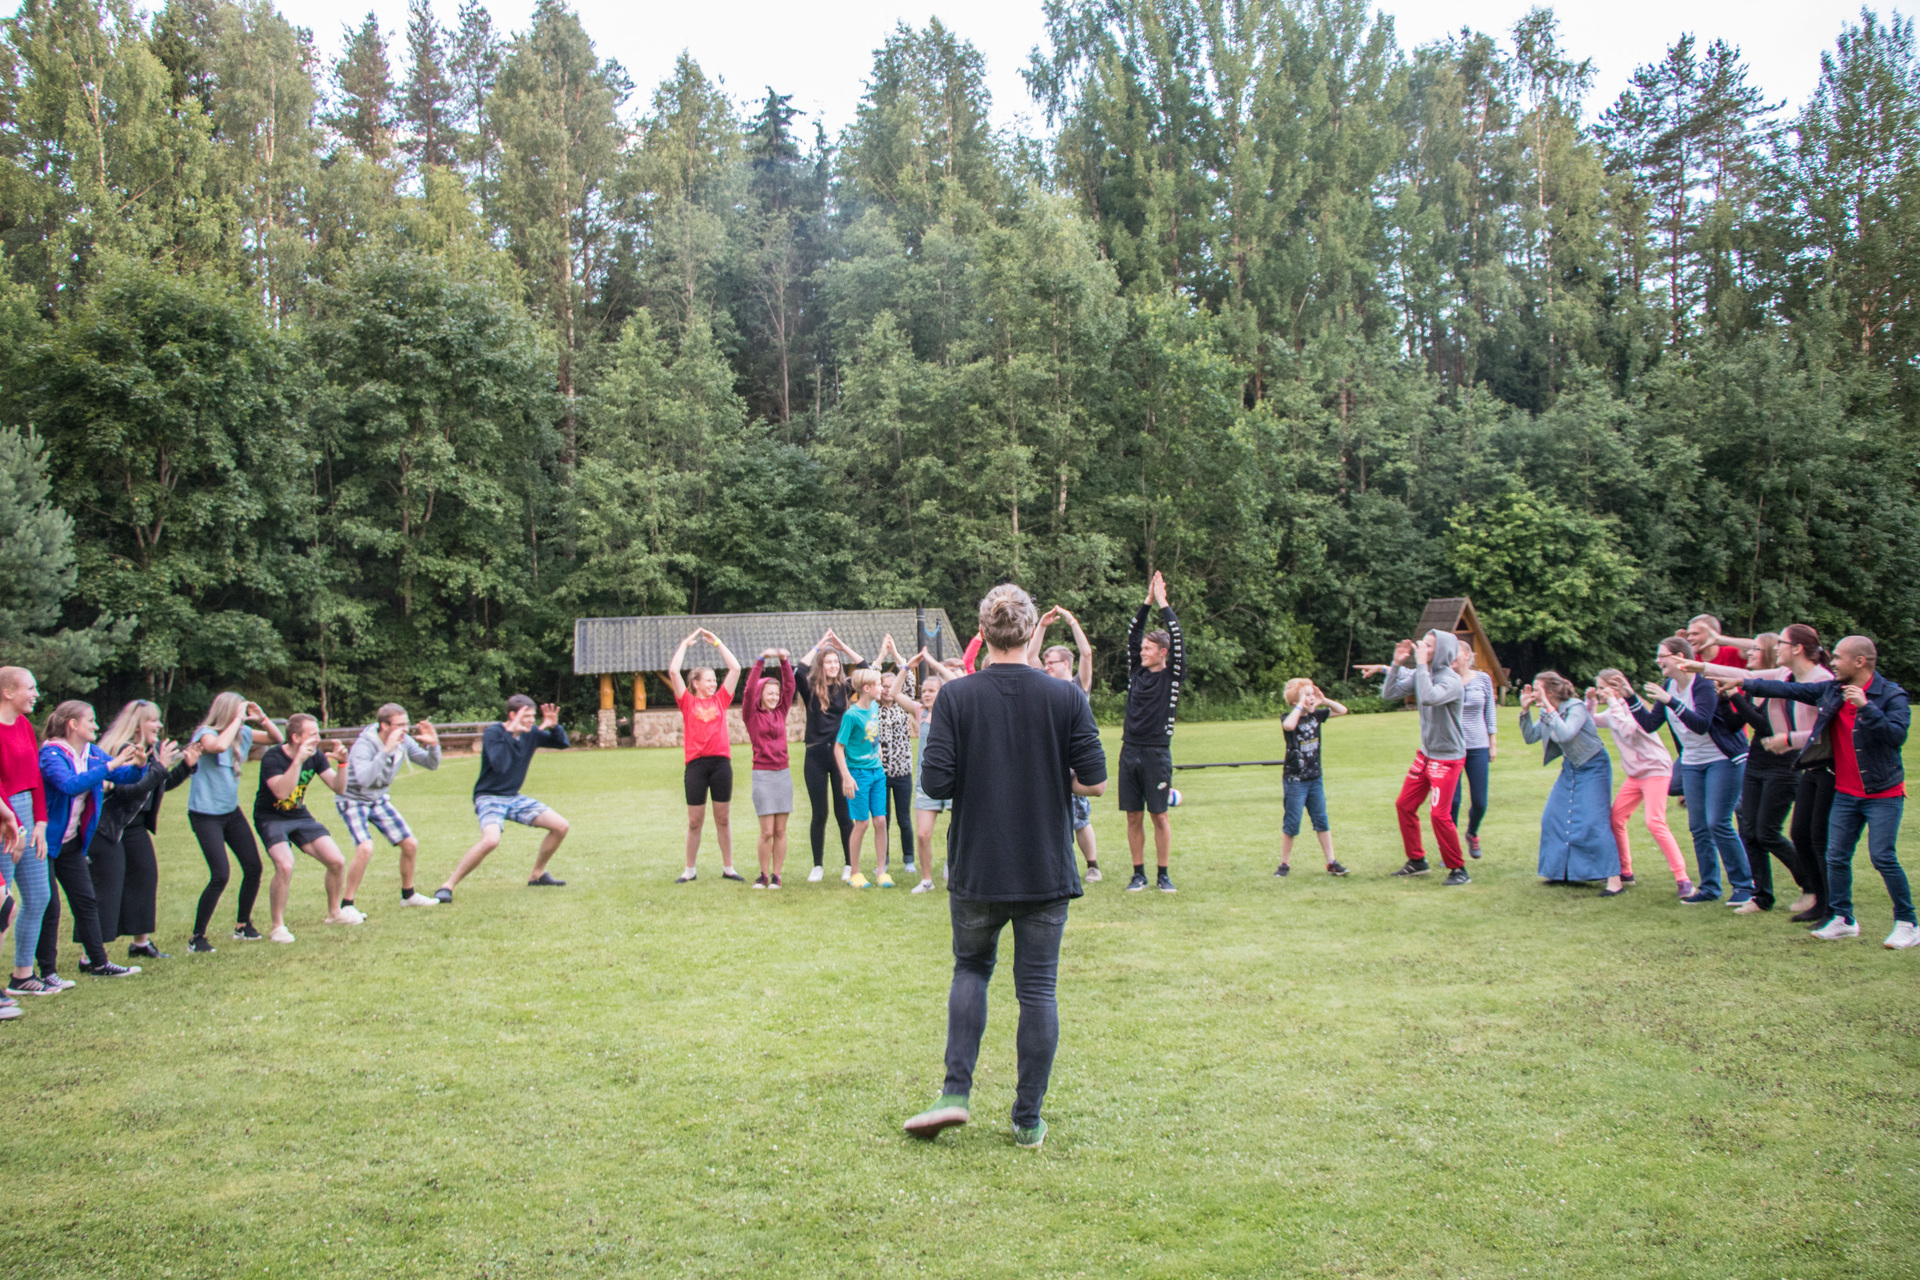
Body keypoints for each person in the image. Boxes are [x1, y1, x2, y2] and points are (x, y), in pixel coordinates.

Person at [903, 583, 1107, 1149]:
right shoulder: (1065, 696)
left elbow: (935, 781)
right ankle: (1027, 1119)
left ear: (983, 631)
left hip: (979, 862)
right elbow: (1094, 781)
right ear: (1032, 629)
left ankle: (955, 1094)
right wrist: (1046, 772)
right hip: (1044, 862)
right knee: (1038, 989)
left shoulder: (957, 697)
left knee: (971, 970)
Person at [1741, 636, 1914, 948]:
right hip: (1846, 792)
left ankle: (1907, 923)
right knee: (1836, 856)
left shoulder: (1891, 695)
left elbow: (1896, 736)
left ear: (1859, 662)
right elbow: (1788, 689)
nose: (1831, 662)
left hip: (1882, 793)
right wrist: (1742, 682)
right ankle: (1843, 919)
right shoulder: (1833, 689)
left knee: (1882, 857)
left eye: (1837, 657)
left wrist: (1866, 706)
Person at [1686, 623, 1836, 921]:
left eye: (1782, 643)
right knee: (1751, 830)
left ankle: (1816, 891)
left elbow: (1822, 732)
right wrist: (1700, 667)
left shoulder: (1821, 680)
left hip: (1793, 763)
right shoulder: (1784, 674)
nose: (1777, 647)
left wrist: (1787, 739)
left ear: (1797, 648)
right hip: (1761, 759)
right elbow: (1744, 677)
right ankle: (1763, 895)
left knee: (1775, 832)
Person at [1630, 638, 1757, 908]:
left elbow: (1701, 725)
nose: (1658, 661)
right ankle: (1710, 887)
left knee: (1718, 823)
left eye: (1662, 655)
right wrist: (1630, 697)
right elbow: (1651, 724)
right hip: (1692, 762)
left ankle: (1744, 886)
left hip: (1723, 759)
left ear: (1679, 657)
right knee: (1698, 827)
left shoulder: (1702, 684)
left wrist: (1671, 701)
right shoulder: (1669, 685)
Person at [37, 699, 148, 980]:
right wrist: (111, 764)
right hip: (44, 844)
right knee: (50, 908)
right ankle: (47, 971)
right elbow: (69, 785)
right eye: (91, 721)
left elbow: (124, 776)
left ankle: (98, 963)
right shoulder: (51, 754)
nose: (96, 726)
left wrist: (139, 766)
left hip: (71, 843)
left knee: (86, 902)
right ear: (73, 724)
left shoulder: (91, 753)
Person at [1360, 630, 1471, 885]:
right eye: (1423, 643)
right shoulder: (1424, 673)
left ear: (1441, 651)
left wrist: (1420, 664)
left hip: (1448, 758)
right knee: (1405, 805)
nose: (1422, 647)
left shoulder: (1451, 680)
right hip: (1426, 754)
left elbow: (1430, 697)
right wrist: (1396, 663)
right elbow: (1389, 694)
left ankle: (1458, 870)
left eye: (1429, 645)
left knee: (1439, 815)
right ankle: (1417, 861)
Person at [435, 696, 571, 903]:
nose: (531, 720)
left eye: (533, 716)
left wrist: (554, 726)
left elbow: (562, 743)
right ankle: (447, 886)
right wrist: (511, 734)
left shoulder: (531, 733)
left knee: (560, 826)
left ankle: (537, 875)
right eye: (526, 716)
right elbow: (500, 764)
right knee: (491, 841)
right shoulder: (494, 733)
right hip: (489, 797)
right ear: (512, 715)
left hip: (513, 797)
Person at [92, 701, 195, 960]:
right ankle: (92, 954)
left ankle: (140, 944)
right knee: (108, 889)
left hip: (135, 827)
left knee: (145, 879)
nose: (159, 725)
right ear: (138, 725)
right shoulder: (123, 750)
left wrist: (185, 766)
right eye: (153, 720)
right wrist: (160, 767)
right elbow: (128, 790)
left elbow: (157, 785)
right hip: (111, 827)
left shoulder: (151, 751)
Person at [186, 693, 284, 952]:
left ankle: (243, 925)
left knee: (253, 867)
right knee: (220, 874)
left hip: (230, 812)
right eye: (238, 712)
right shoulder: (205, 734)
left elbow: (277, 738)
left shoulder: (242, 734)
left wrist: (262, 718)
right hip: (205, 814)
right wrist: (238, 719)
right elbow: (218, 746)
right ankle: (197, 937)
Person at [252, 714, 357, 941]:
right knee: (285, 865)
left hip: (299, 815)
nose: (318, 738)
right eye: (313, 734)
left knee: (336, 861)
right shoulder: (272, 758)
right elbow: (281, 792)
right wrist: (298, 761)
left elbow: (338, 787)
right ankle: (277, 926)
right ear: (296, 737)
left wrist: (342, 764)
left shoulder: (315, 756)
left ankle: (334, 913)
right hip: (270, 817)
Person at [1591, 670, 1692, 898]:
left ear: (1616, 688)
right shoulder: (1614, 710)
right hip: (1636, 775)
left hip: (1656, 770)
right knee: (1616, 819)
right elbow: (1592, 721)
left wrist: (1613, 702)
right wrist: (1590, 702)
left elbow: (1627, 730)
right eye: (1598, 688)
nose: (1600, 692)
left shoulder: (1632, 708)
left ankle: (1683, 879)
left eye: (1603, 688)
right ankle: (1625, 871)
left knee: (1655, 822)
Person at [1519, 673, 1621, 894]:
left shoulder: (1576, 707)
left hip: (1594, 766)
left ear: (1550, 691)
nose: (1533, 693)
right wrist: (1525, 711)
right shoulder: (1547, 712)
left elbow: (1566, 734)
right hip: (1571, 768)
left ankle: (1615, 881)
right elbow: (1530, 737)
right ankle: (1560, 872)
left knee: (1594, 822)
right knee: (1553, 817)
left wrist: (1549, 709)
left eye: (1537, 689)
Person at [338, 704, 443, 911]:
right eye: (400, 725)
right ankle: (347, 905)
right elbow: (364, 779)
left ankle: (408, 896)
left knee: (410, 844)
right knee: (365, 848)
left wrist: (433, 745)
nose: (405, 729)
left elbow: (431, 764)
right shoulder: (364, 745)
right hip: (353, 799)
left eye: (407, 724)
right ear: (384, 725)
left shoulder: (404, 741)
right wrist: (386, 750)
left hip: (378, 798)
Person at [1120, 571, 1184, 893]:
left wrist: (1163, 603)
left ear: (1163, 652)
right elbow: (1132, 634)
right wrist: (1147, 601)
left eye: (1148, 648)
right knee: (1133, 816)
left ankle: (1163, 874)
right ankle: (1138, 874)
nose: (1142, 651)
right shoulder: (1137, 671)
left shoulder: (1172, 675)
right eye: (1142, 648)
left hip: (1157, 752)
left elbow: (1178, 637)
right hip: (1129, 749)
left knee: (1159, 816)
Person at [667, 628, 746, 884]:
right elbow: (673, 672)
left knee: (722, 818)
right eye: (709, 680)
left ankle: (729, 868)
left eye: (714, 680)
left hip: (721, 764)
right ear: (696, 683)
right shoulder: (687, 702)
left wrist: (718, 643)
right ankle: (689, 870)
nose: (713, 684)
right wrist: (685, 644)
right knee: (694, 821)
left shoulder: (721, 700)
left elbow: (735, 668)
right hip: (696, 767)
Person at [2, 667, 63, 996]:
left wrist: (40, 822)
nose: (36, 694)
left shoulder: (24, 725)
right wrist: (16, 824)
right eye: (31, 687)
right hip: (5, 818)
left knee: (39, 895)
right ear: (8, 692)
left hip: (28, 813)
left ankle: (22, 975)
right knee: (3, 903)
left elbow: (35, 776)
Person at [1030, 607, 1101, 881]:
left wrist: (1072, 621)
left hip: (1074, 761)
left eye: (1052, 662)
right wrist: (1041, 626)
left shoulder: (1078, 685)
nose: (1046, 666)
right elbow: (1029, 657)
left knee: (1080, 818)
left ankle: (1093, 866)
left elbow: (1087, 653)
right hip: (1048, 758)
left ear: (1066, 664)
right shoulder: (1044, 686)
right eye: (1046, 662)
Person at [795, 630, 866, 882]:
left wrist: (842, 647)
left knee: (843, 814)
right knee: (819, 814)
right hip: (815, 755)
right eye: (828, 662)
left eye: (836, 662)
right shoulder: (810, 689)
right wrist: (819, 646)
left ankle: (849, 864)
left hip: (840, 756)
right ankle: (817, 866)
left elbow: (865, 669)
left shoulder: (846, 688)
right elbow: (799, 671)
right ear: (822, 665)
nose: (833, 666)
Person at [894, 650, 966, 894]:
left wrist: (934, 663)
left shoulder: (957, 710)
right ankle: (926, 880)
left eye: (931, 690)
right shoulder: (919, 711)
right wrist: (906, 667)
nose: (925, 694)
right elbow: (894, 693)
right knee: (923, 834)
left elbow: (958, 684)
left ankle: (955, 869)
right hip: (926, 782)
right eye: (923, 690)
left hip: (956, 779)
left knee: (959, 832)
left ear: (942, 692)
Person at [1275, 678, 1350, 877]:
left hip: (1315, 779)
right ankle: (1284, 864)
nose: (1311, 698)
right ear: (1295, 702)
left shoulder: (1317, 715)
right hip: (1295, 781)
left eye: (1312, 695)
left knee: (1321, 820)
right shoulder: (1288, 717)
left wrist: (1323, 700)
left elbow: (1342, 710)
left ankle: (1331, 862)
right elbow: (1289, 726)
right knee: (1292, 823)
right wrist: (1300, 705)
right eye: (1306, 695)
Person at [742, 649, 796, 889]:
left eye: (776, 693)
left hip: (783, 775)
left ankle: (776, 875)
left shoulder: (781, 712)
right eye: (769, 693)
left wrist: (784, 661)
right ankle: (763, 875)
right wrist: (760, 660)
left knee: (780, 830)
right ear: (760, 695)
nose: (774, 697)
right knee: (766, 831)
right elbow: (748, 690)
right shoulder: (751, 715)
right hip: (762, 775)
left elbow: (790, 687)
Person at [835, 668, 888, 889]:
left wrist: (878, 751)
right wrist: (846, 776)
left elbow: (872, 736)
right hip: (858, 775)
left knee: (880, 821)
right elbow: (839, 747)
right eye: (879, 684)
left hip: (877, 773)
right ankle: (854, 872)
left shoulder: (874, 707)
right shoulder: (851, 716)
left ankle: (882, 872)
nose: (882, 688)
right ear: (867, 688)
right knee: (862, 823)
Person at [873, 636, 920, 878]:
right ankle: (884, 860)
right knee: (883, 819)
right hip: (879, 773)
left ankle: (909, 859)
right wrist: (882, 656)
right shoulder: (873, 708)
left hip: (902, 771)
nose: (888, 689)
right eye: (884, 685)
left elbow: (909, 679)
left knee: (904, 819)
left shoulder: (904, 704)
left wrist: (897, 654)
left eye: (892, 685)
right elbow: (869, 677)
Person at [1450, 646, 1499, 858]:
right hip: (1451, 748)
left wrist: (1492, 742)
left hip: (1478, 746)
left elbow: (1490, 711)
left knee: (1480, 802)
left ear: (1467, 655)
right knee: (1452, 802)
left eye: (1455, 651)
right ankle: (1451, 849)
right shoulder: (1447, 680)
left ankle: (1472, 833)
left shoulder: (1483, 679)